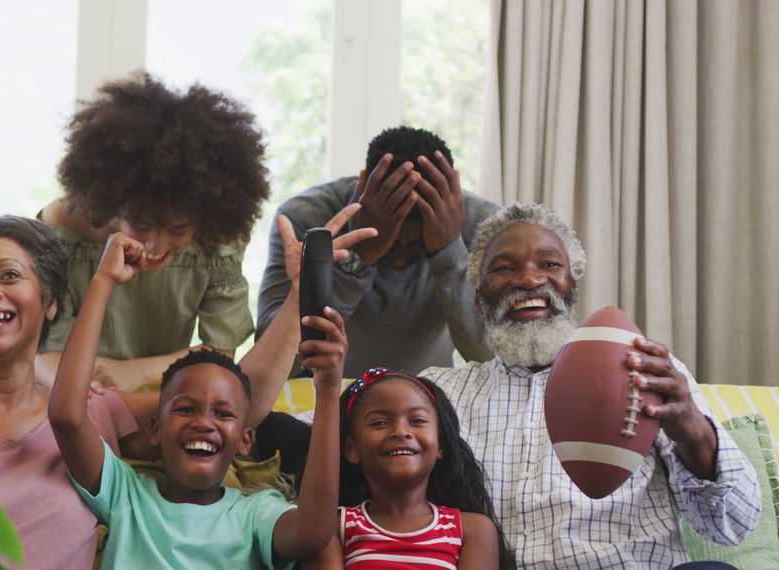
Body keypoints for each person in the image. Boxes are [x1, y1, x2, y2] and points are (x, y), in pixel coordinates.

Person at [0, 208, 370, 568]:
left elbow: (234, 402)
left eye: (8, 275)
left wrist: (301, 295)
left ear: (50, 304)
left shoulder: (96, 413)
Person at [419, 202, 761, 567]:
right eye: (505, 268)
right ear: (478, 299)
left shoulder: (646, 370)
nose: (529, 280)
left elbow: (732, 525)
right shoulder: (440, 393)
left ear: (572, 287)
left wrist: (692, 429)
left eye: (549, 264)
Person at [48, 230, 347, 569]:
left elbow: (314, 532)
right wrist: (103, 281)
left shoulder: (257, 511)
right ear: (155, 430)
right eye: (186, 409)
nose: (203, 422)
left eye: (223, 414)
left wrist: (327, 388)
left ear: (245, 439)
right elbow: (67, 417)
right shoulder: (124, 494)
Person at [36, 71, 271, 391]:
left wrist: (135, 373)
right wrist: (87, 394)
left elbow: (221, 349)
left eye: (178, 230)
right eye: (141, 226)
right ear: (112, 205)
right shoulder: (66, 225)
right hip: (69, 392)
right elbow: (45, 350)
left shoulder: (217, 241)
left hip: (166, 395)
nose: (155, 245)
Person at [258, 126, 500, 378]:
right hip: (317, 396)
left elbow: (488, 355)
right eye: (391, 243)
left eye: (419, 245)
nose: (400, 257)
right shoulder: (306, 218)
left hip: (425, 398)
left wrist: (449, 253)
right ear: (362, 185)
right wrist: (356, 258)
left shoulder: (484, 225)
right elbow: (271, 359)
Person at [304, 367, 510, 569]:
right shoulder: (332, 528)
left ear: (440, 444)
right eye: (379, 423)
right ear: (351, 449)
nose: (401, 432)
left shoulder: (473, 530)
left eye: (417, 420)